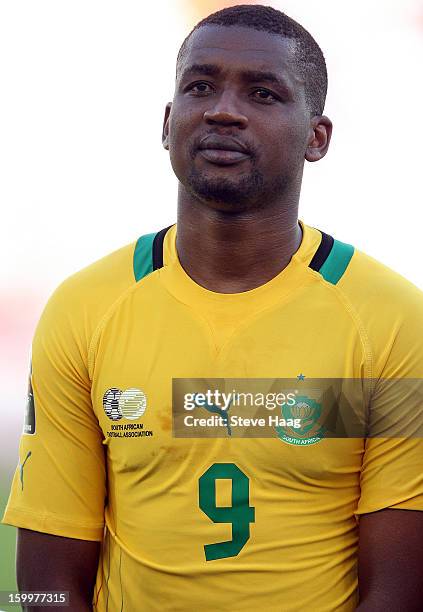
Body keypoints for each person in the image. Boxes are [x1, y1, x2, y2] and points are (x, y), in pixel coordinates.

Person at [2, 4, 423, 611]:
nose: (224, 110)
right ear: (169, 121)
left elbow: (400, 593)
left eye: (263, 93)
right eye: (201, 86)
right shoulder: (85, 308)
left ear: (317, 137)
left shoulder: (392, 321)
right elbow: (42, 586)